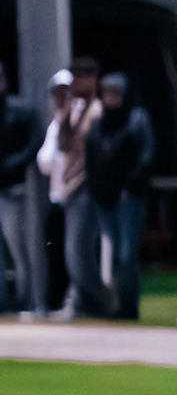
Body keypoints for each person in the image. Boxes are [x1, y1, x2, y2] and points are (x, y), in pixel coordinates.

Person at [83, 73, 154, 320]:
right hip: (104, 198)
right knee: (112, 254)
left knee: (126, 253)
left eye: (116, 93)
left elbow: (147, 155)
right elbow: (91, 159)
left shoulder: (137, 119)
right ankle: (116, 305)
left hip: (127, 197)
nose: (111, 98)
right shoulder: (98, 125)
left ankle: (129, 306)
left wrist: (131, 183)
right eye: (107, 93)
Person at [52, 58, 107, 319]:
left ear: (91, 79)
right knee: (72, 252)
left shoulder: (97, 110)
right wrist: (63, 112)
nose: (73, 85)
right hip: (71, 187)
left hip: (87, 187)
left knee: (78, 251)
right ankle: (84, 302)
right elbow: (63, 146)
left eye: (78, 79)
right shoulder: (75, 110)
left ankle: (97, 302)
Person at [0, 62, 41, 315]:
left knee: (19, 248)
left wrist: (14, 163)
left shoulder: (21, 110)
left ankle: (27, 300)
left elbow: (36, 142)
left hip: (13, 188)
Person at [33, 70, 73, 314]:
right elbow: (44, 163)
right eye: (57, 94)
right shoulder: (55, 125)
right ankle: (53, 302)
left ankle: (73, 300)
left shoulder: (77, 121)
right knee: (56, 254)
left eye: (65, 93)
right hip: (57, 199)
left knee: (74, 254)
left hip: (75, 198)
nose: (61, 98)